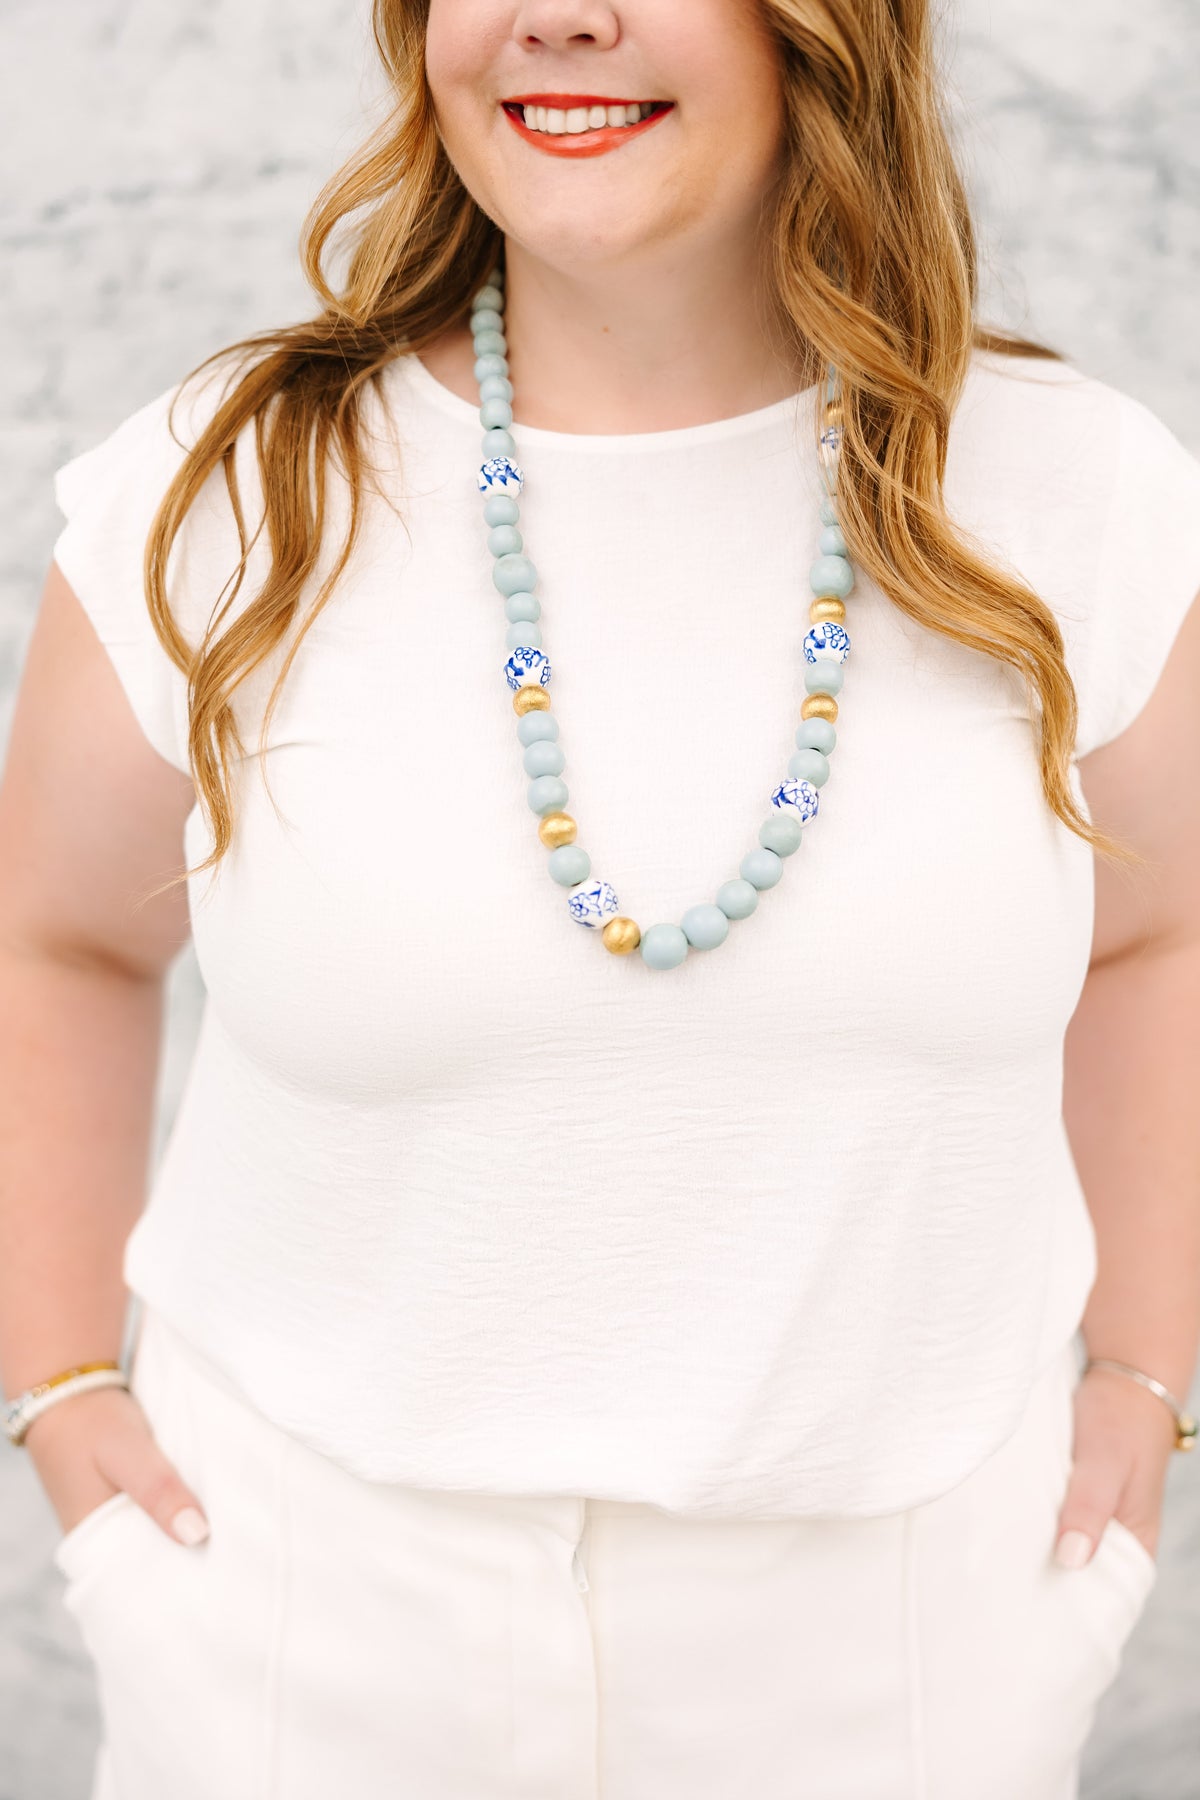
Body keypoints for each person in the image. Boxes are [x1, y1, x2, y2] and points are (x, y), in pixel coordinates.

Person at [1, 1, 1198, 1795]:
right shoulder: (227, 493)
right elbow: (60, 937)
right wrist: (58, 1391)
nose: (560, 14)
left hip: (904, 1651)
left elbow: (1160, 934)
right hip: (300, 1630)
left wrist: (1151, 1380)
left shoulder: (1073, 496)